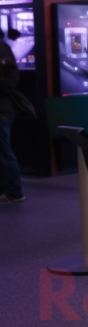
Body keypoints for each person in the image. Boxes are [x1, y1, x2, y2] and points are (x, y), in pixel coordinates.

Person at [0, 28, 25, 204]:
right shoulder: (4, 49)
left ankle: (14, 191)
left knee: (4, 152)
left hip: (2, 110)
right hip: (5, 109)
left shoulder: (3, 49)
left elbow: (9, 81)